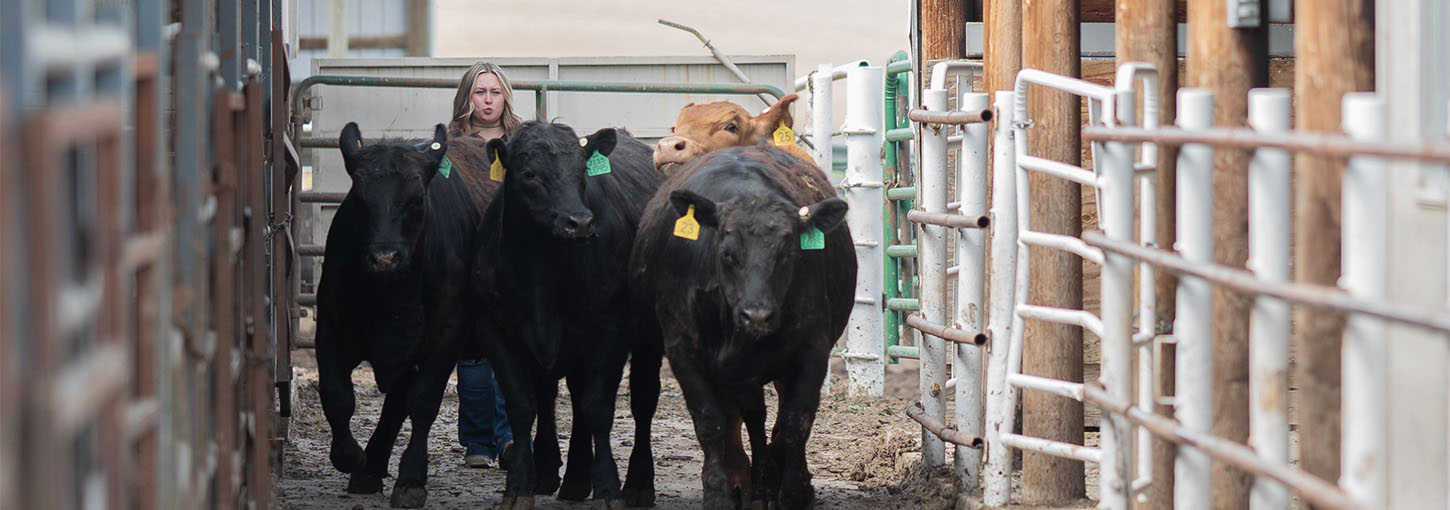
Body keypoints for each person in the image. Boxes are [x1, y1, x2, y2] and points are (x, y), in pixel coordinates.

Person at [449, 61, 524, 469]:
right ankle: (477, 442)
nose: (488, 100)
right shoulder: (451, 144)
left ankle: (510, 436)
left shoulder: (523, 140)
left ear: (505, 96)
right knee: (473, 354)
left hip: (511, 257)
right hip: (465, 255)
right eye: (480, 93)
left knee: (510, 351)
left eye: (495, 92)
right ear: (468, 97)